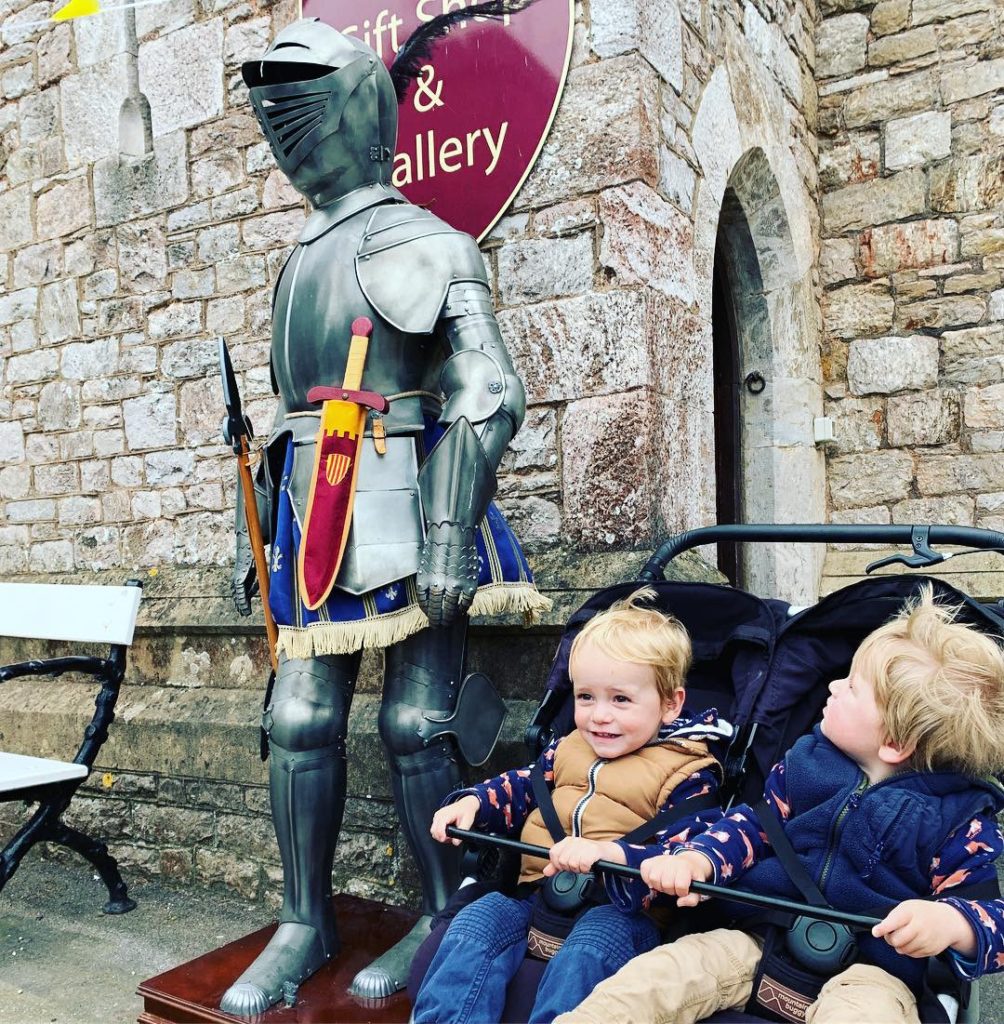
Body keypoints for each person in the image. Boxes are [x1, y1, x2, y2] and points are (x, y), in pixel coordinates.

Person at [220, 14, 548, 1016]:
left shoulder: (425, 241)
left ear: (360, 110)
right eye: (273, 116)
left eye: (301, 108)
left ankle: (444, 906)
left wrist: (449, 530)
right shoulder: (297, 258)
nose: (286, 131)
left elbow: (487, 389)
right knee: (296, 718)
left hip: (407, 498)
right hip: (313, 514)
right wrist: (260, 542)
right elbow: (288, 421)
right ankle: (302, 917)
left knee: (417, 722)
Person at [556, 585, 1004, 1024]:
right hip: (758, 936)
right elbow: (753, 828)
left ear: (893, 742)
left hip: (874, 974)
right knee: (661, 975)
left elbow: (994, 921)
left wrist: (951, 922)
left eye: (851, 686)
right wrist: (698, 860)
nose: (832, 684)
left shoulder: (959, 823)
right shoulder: (805, 766)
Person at [412, 587, 732, 1023]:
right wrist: (475, 802)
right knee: (478, 918)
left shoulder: (687, 772)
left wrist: (611, 855)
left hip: (622, 913)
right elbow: (523, 786)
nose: (599, 715)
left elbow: (688, 851)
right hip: (536, 895)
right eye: (586, 697)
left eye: (621, 699)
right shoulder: (568, 748)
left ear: (670, 704)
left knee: (591, 948)